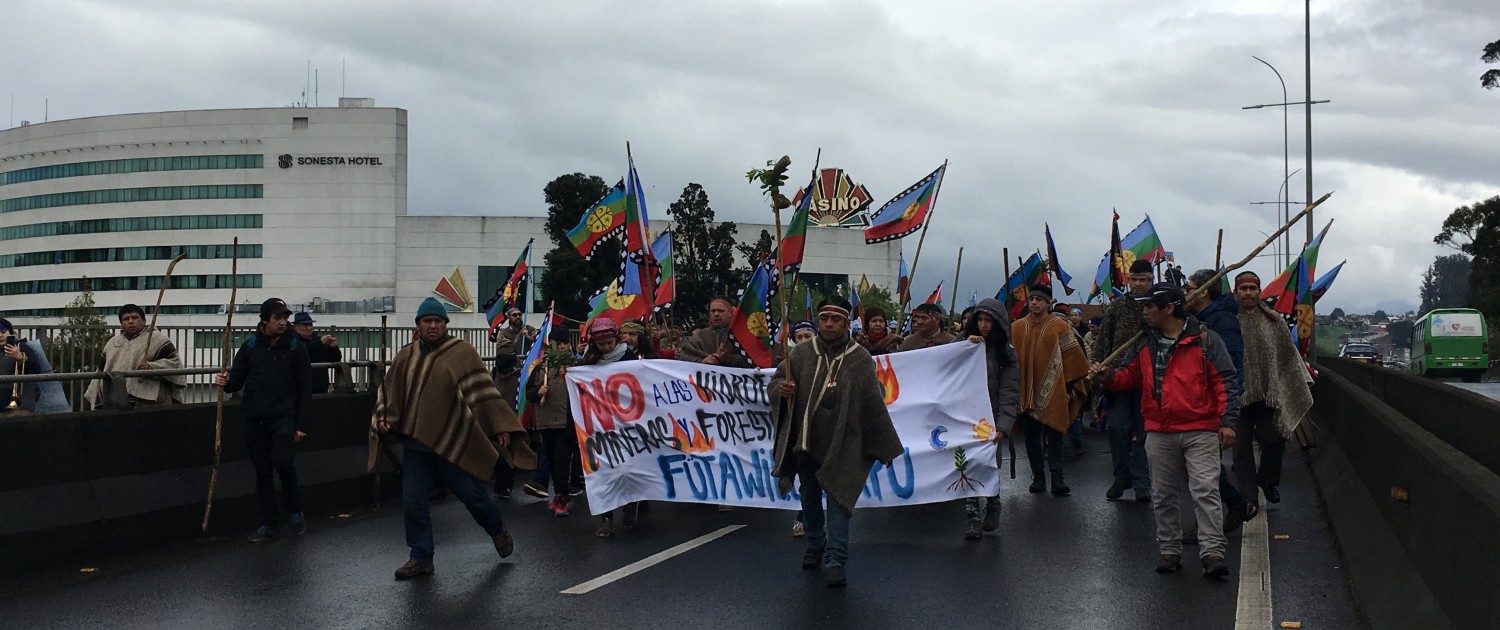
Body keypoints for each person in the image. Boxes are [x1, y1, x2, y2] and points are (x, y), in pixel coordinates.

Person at [370, 297, 535, 580]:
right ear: (418, 325)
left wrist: (498, 426)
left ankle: (496, 529)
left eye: (438, 321)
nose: (433, 326)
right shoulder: (406, 356)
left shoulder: (462, 353)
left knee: (471, 494)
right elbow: (388, 392)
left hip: (452, 440)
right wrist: (384, 416)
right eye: (427, 321)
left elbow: (483, 393)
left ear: (445, 324)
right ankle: (420, 557)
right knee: (413, 501)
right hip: (416, 443)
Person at [1093, 282, 1240, 578]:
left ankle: (1212, 552)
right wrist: (1108, 377)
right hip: (1159, 430)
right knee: (1163, 494)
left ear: (1169, 308)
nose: (1144, 311)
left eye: (1150, 306)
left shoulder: (1205, 340)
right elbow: (1129, 377)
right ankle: (1170, 549)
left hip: (1200, 428)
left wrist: (1227, 422)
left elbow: (1225, 381)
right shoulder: (1143, 343)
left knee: (1205, 490)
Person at [770, 297, 903, 588]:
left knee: (839, 499)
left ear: (845, 323)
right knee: (808, 498)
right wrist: (782, 389)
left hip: (844, 442)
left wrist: (882, 443)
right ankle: (815, 543)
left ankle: (835, 558)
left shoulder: (859, 358)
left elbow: (872, 403)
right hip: (806, 441)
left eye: (835, 319)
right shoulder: (800, 354)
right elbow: (775, 383)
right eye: (824, 318)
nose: (829, 324)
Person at [214, 298, 313, 543]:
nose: (282, 322)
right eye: (277, 317)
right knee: (262, 471)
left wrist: (301, 424)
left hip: (283, 416)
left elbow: (305, 387)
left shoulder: (295, 347)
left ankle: (294, 511)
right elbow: (237, 379)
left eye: (285, 318)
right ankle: (268, 522)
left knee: (283, 463)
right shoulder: (250, 346)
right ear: (265, 319)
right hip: (255, 417)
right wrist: (225, 382)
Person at [1233, 271, 1314, 509]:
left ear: (1260, 292)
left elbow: (1287, 356)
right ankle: (1248, 496)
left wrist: (1291, 382)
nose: (1248, 293)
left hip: (1268, 395)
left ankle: (1268, 480)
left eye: (1252, 288)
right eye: (1243, 289)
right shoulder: (1228, 321)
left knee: (1274, 439)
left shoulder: (1274, 321)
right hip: (1237, 396)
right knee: (1240, 447)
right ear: (1236, 292)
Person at [1185, 269, 1255, 534]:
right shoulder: (1197, 318)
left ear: (1203, 292)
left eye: (1190, 288)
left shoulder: (1223, 321)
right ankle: (1238, 504)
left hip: (1213, 403)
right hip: (1196, 401)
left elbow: (1231, 367)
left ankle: (1206, 524)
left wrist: (1226, 413)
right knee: (1204, 467)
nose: (1186, 292)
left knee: (1202, 470)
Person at [1012, 285, 1089, 496]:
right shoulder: (1017, 327)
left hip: (1055, 391)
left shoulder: (1060, 327)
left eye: (1039, 299)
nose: (1034, 303)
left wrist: (1068, 387)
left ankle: (1057, 478)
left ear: (1048, 303)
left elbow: (1073, 360)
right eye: (1032, 299)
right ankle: (1038, 477)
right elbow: (1011, 360)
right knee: (1031, 437)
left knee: (1055, 436)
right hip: (1026, 392)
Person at [1093, 259, 1155, 503]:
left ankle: (1142, 482)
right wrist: (1098, 369)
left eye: (1143, 279)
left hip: (1149, 380)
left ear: (1151, 280)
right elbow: (1102, 342)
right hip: (1118, 378)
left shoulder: (1158, 306)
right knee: (1118, 429)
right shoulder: (1117, 307)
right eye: (1134, 279)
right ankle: (1121, 478)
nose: (1138, 284)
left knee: (1144, 433)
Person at [956, 298, 1018, 540]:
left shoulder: (1005, 353)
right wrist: (965, 345)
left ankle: (993, 502)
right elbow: (945, 362)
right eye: (979, 320)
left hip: (990, 418)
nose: (983, 325)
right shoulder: (963, 343)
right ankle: (972, 517)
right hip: (964, 417)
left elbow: (1009, 391)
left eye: (988, 321)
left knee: (988, 465)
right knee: (966, 464)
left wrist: (1003, 424)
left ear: (997, 324)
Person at [573, 318, 641, 538]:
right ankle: (607, 519)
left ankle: (631, 503)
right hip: (599, 424)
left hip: (626, 422)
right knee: (603, 472)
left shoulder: (628, 357)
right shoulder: (588, 360)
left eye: (610, 343)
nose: (606, 348)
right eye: (602, 345)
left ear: (616, 339)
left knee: (627, 468)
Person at [83, 304, 185, 410]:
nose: (130, 321)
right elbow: (101, 371)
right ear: (121, 324)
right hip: (117, 402)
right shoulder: (112, 344)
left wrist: (152, 367)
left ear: (144, 321)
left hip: (151, 403)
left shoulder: (158, 340)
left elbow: (175, 363)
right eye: (126, 319)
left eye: (135, 317)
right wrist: (95, 396)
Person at [489, 306, 535, 499]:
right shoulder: (503, 334)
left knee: (516, 446)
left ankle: (507, 483)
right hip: (502, 412)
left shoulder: (529, 329)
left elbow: (539, 346)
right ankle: (502, 483)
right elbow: (504, 350)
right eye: (514, 315)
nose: (517, 317)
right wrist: (518, 340)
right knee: (501, 448)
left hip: (517, 403)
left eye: (519, 314)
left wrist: (529, 338)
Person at [0, 319, 70, 415]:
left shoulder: (21, 347)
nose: (0, 335)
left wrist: (21, 358)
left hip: (20, 403)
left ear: (10, 333)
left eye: (3, 332)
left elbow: (36, 370)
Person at [677, 298, 752, 368]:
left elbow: (753, 361)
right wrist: (701, 361)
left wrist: (728, 358)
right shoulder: (700, 336)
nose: (716, 314)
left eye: (721, 311)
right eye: (713, 311)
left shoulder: (742, 336)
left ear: (731, 312)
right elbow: (684, 356)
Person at [292, 312, 341, 394]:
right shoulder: (292, 340)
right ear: (296, 327)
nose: (309, 328)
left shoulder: (319, 340)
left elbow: (335, 358)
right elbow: (301, 351)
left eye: (310, 325)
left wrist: (334, 347)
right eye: (305, 325)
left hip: (320, 385)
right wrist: (320, 343)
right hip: (299, 386)